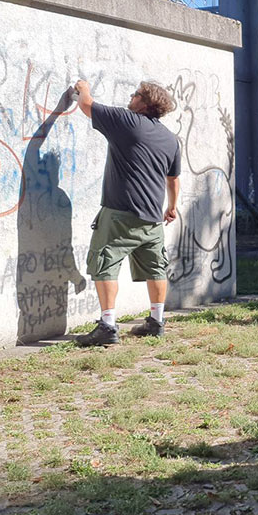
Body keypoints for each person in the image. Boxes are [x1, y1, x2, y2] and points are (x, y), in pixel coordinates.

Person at [73, 80, 180, 346]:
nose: (131, 97)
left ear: (145, 103)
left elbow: (86, 105)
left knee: (105, 263)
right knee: (156, 267)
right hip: (153, 219)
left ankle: (107, 326)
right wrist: (172, 206)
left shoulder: (126, 120)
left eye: (136, 95)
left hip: (120, 213)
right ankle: (156, 322)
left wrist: (82, 87)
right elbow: (173, 178)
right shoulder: (170, 138)